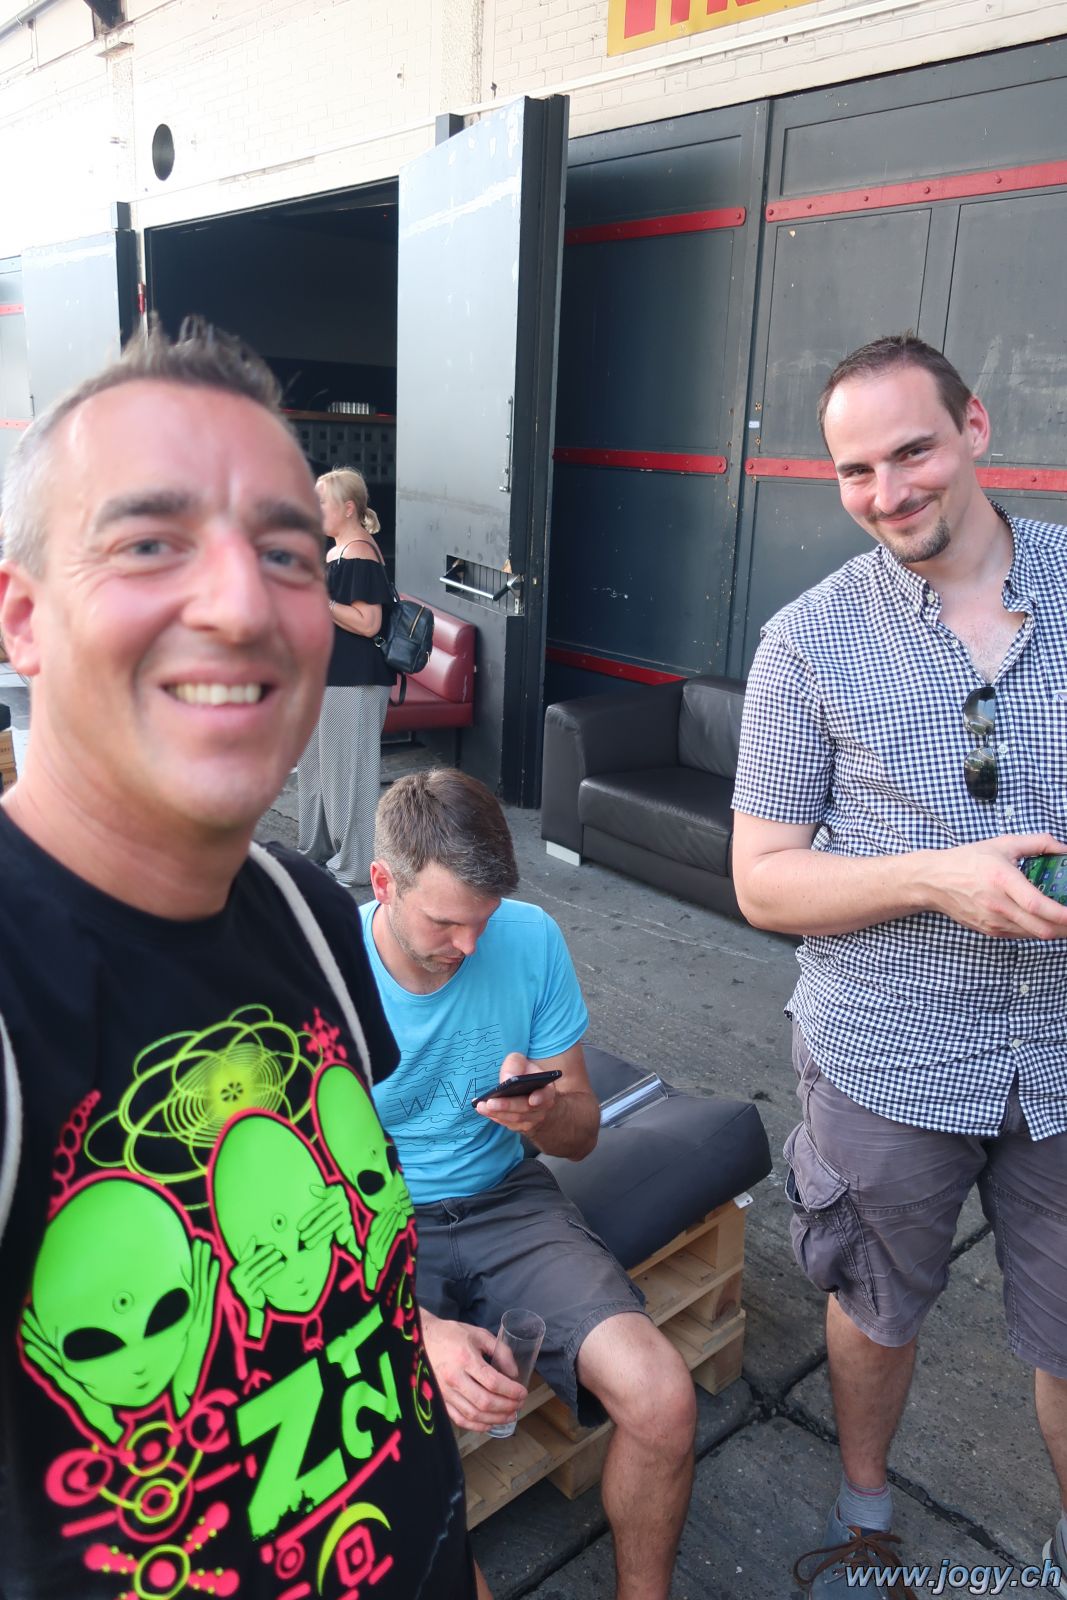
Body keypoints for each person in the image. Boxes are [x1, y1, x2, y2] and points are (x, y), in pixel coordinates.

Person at [0, 321, 478, 1599]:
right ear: (24, 619)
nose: (241, 604)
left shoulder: (307, 912)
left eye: (285, 554)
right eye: (149, 543)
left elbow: (363, 1318)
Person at [731, 333, 1067, 1597]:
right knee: (874, 1303)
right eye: (853, 469)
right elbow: (761, 878)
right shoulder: (805, 642)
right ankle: (864, 1515)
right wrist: (934, 877)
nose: (886, 490)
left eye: (910, 449)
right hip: (887, 1054)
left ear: (973, 427)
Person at [359, 768, 697, 1600]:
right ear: (383, 884)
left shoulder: (530, 937)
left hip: (507, 1198)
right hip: (372, 1225)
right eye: (445, 922)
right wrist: (418, 1328)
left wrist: (541, 1116)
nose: (469, 945)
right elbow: (289, 1207)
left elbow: (580, 1135)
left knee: (661, 1398)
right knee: (379, 1461)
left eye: (483, 920)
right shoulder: (322, 976)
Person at [297, 467, 394, 888]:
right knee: (319, 771)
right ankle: (318, 852)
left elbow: (369, 622)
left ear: (349, 508)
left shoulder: (359, 554)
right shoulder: (338, 551)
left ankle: (355, 866)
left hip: (355, 681)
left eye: (322, 502)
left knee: (349, 778)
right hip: (332, 676)